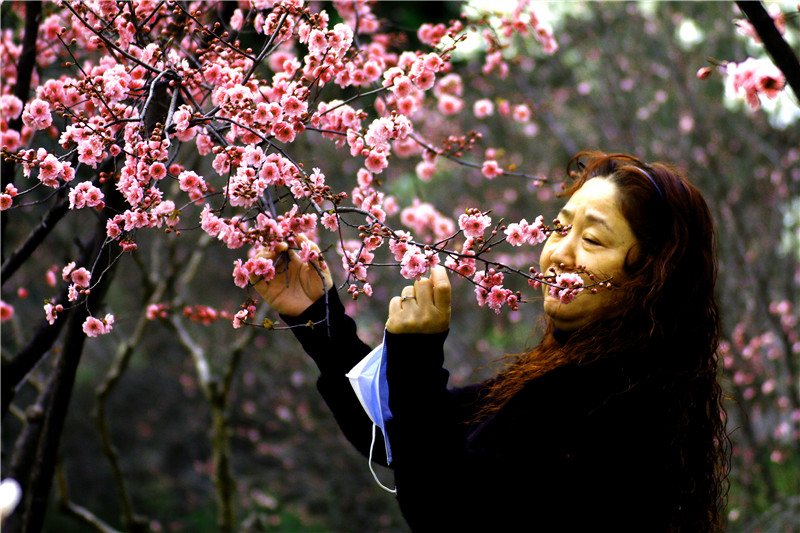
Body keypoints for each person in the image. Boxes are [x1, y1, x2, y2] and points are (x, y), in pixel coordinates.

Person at [251, 151, 730, 532]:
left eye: (594, 240)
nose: (559, 253)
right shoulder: (560, 376)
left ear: (652, 274)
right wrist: (319, 318)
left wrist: (417, 360)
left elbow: (446, 512)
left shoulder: (622, 401)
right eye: (560, 228)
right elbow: (404, 436)